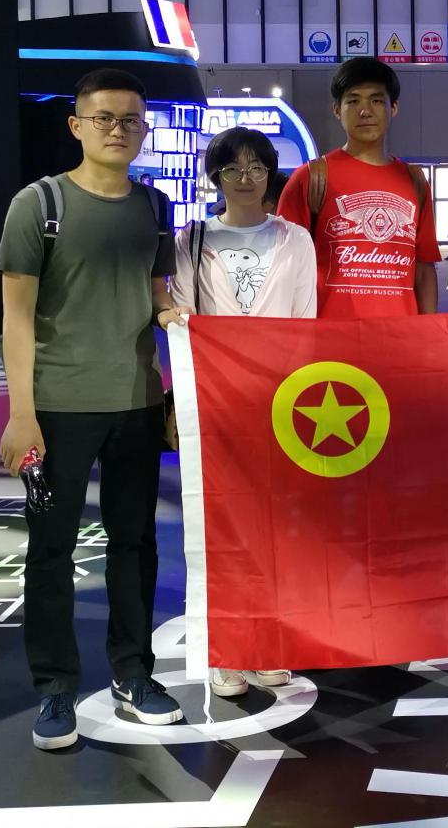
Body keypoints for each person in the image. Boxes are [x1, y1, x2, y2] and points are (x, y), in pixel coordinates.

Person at [0, 68, 187, 750]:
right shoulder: (38, 205)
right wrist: (22, 413)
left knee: (135, 546)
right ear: (76, 126)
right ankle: (55, 688)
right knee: (52, 549)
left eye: (130, 119)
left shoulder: (155, 206)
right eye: (103, 118)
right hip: (58, 408)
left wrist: (171, 338)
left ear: (145, 128)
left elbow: (156, 294)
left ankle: (134, 674)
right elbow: (16, 318)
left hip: (135, 404)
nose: (117, 129)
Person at [170, 127, 313, 697]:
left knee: (277, 527)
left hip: (280, 404)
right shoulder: (193, 238)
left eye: (257, 167)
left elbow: (305, 325)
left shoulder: (296, 240)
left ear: (270, 173)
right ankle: (228, 650)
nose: (246, 178)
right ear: (216, 176)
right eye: (233, 168)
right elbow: (184, 318)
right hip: (218, 405)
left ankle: (270, 641)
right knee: (223, 526)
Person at [276, 57, 439, 318]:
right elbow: (283, 266)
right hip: (331, 335)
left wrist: (429, 331)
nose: (365, 111)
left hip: (400, 335)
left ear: (393, 107)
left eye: (376, 100)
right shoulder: (311, 178)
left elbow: (423, 269)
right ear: (336, 109)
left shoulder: (414, 181)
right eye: (353, 101)